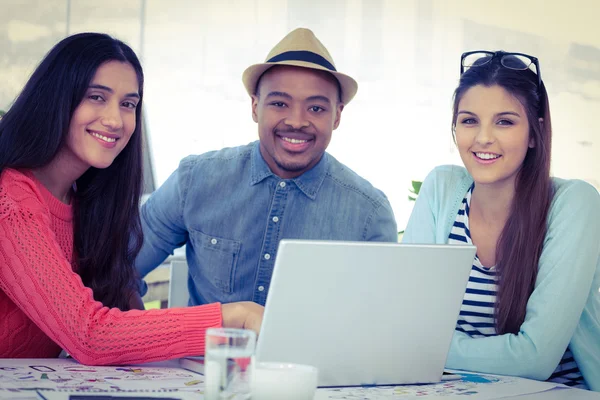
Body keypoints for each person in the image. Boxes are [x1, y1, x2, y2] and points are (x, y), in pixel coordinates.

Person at [0, 32, 263, 365]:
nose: (115, 120)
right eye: (96, 97)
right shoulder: (12, 200)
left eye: (128, 104)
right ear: (57, 99)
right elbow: (90, 336)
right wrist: (233, 316)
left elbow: (123, 318)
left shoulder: (87, 202)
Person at [135, 28, 398, 306]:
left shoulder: (369, 213)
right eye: (279, 103)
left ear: (337, 116)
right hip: (208, 351)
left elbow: (378, 319)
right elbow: (117, 270)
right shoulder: (195, 180)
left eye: (316, 108)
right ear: (255, 107)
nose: (296, 121)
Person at [403, 50, 600, 390]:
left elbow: (535, 359)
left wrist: (422, 349)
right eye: (469, 120)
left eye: (504, 121)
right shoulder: (441, 188)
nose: (483, 138)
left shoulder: (573, 204)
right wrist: (409, 344)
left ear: (535, 134)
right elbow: (404, 318)